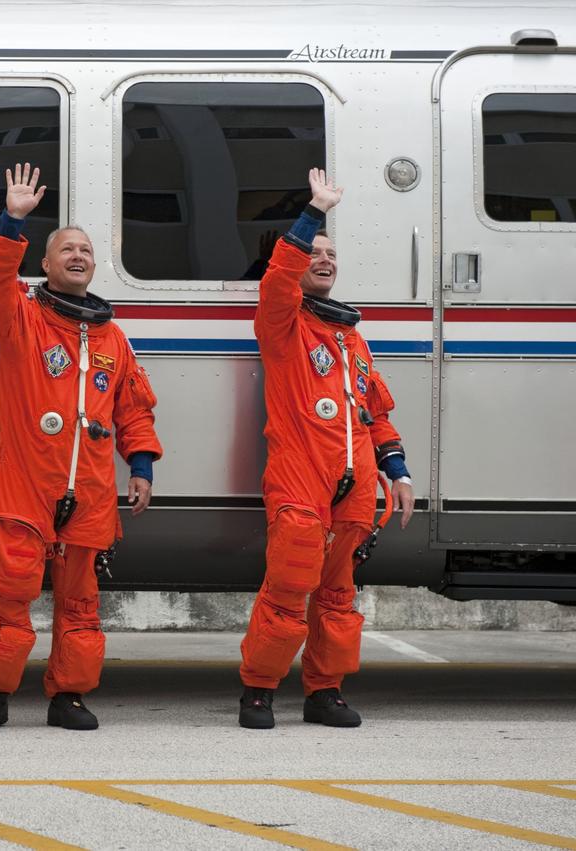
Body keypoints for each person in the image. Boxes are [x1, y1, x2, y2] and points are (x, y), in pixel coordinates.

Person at [0, 164, 163, 732]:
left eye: (86, 251)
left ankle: (69, 696)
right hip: (28, 484)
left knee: (80, 606)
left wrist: (141, 463)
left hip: (92, 489)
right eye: (66, 249)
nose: (78, 256)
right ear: (45, 264)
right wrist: (12, 220)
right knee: (9, 594)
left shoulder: (112, 338)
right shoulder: (22, 318)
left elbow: (132, 408)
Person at [239, 168, 416, 729]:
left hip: (355, 484)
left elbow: (375, 413)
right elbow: (276, 282)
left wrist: (398, 471)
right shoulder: (282, 324)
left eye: (332, 253)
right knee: (289, 588)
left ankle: (325, 691)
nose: (325, 259)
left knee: (338, 598)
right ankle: (260, 690)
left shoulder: (351, 338)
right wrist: (313, 212)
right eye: (315, 252)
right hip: (300, 477)